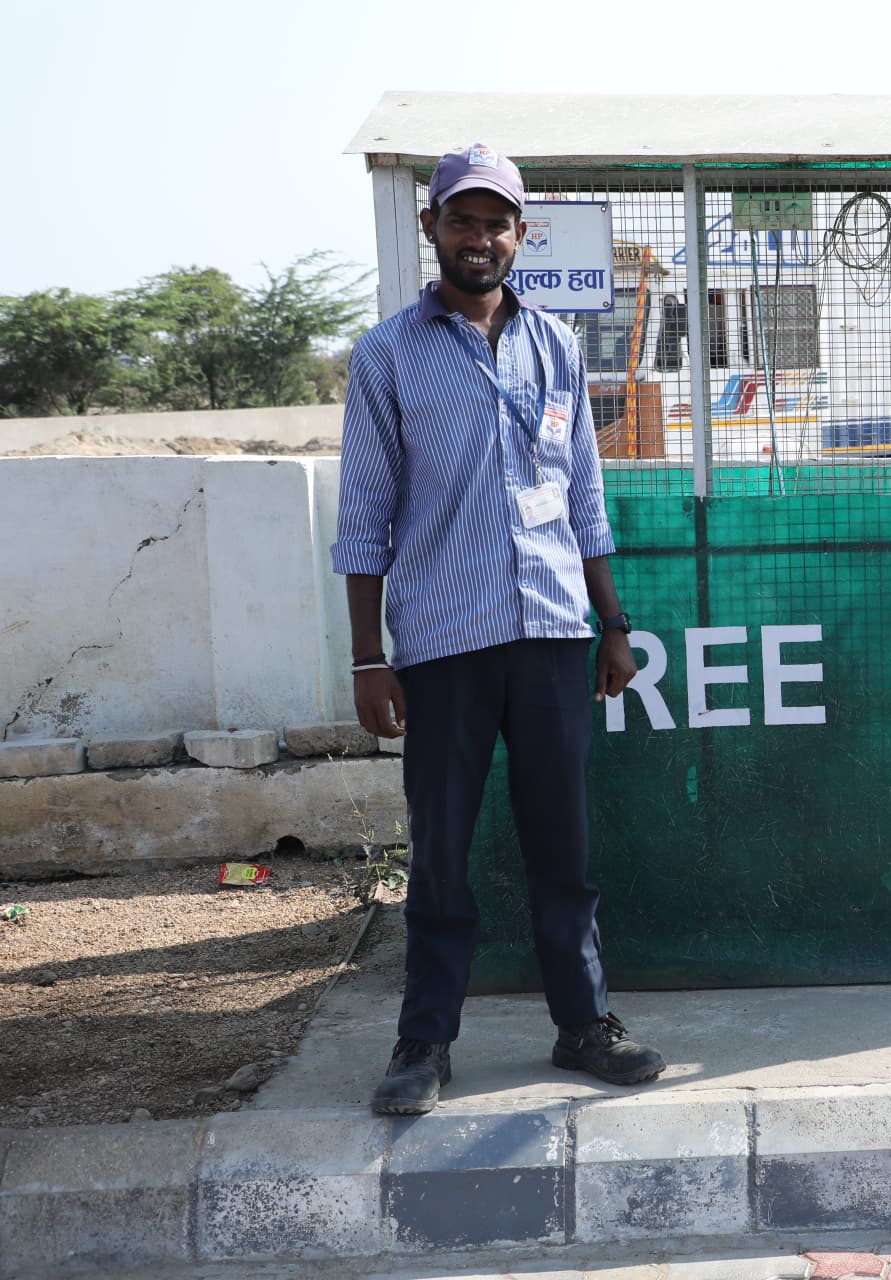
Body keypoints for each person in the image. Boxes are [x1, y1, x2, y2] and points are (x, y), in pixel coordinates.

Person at [331, 143, 663, 1115]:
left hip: (557, 632)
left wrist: (613, 624)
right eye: (463, 220)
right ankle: (423, 1042)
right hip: (441, 643)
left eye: (498, 222)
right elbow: (363, 515)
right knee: (441, 848)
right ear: (431, 228)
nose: (481, 237)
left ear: (521, 236)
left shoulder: (556, 347)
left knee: (563, 845)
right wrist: (366, 656)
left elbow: (586, 500)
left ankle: (583, 1023)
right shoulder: (389, 354)